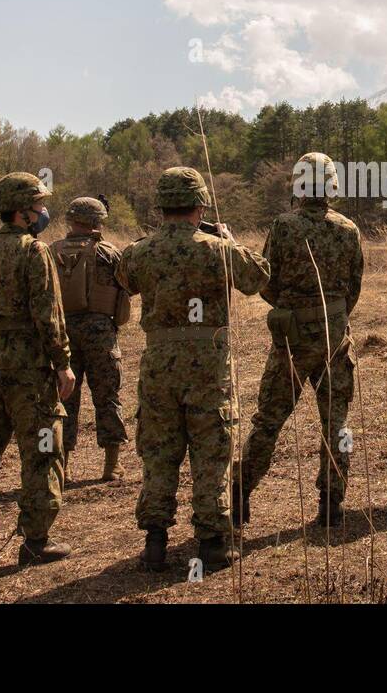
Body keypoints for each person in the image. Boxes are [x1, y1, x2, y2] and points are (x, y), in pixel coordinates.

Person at [116, 167, 269, 573]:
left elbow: (123, 277)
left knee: (160, 451)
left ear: (163, 206)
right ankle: (212, 542)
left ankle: (155, 542)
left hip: (159, 364)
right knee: (212, 449)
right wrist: (228, 239)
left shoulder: (142, 250)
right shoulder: (217, 248)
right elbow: (257, 278)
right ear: (200, 205)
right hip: (208, 362)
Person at [0, 172, 76, 568]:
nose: (43, 213)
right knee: (41, 448)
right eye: (39, 207)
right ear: (23, 213)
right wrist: (63, 363)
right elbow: (48, 315)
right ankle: (35, 540)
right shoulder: (34, 252)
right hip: (30, 364)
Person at [236, 153, 364, 528]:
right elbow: (353, 288)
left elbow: (265, 281)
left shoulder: (283, 226)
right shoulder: (348, 230)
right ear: (331, 185)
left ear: (298, 185)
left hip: (291, 340)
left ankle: (240, 494)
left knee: (268, 421)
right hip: (335, 339)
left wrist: (292, 306)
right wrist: (332, 315)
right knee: (336, 424)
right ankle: (332, 505)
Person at [50, 195, 131, 481]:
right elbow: (128, 285)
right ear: (97, 222)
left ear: (71, 220)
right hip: (100, 332)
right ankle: (111, 466)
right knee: (107, 396)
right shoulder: (108, 252)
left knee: (64, 398)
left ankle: (62, 466)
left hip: (61, 332)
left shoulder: (50, 251)